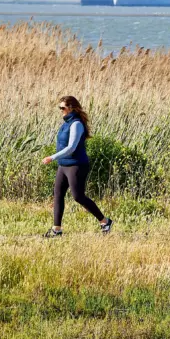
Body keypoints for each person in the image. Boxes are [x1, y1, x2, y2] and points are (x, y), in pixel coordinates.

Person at [42, 96, 112, 237]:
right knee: (58, 195)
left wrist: (52, 157)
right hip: (64, 165)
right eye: (60, 108)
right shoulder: (66, 123)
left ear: (72, 108)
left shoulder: (76, 124)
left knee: (78, 196)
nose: (61, 110)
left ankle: (105, 221)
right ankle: (57, 229)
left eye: (63, 108)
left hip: (76, 165)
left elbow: (71, 147)